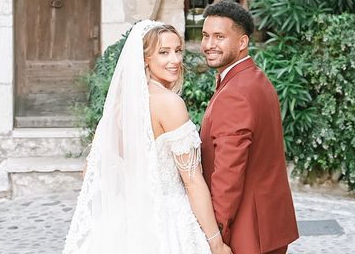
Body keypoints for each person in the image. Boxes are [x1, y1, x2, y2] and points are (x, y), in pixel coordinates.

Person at [63, 20, 232, 254]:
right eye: (164, 52)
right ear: (145, 58)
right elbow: (192, 181)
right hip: (166, 222)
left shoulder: (118, 108)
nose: (175, 60)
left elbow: (90, 172)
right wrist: (216, 242)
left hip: (125, 224)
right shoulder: (170, 104)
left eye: (178, 51)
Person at [200, 0, 299, 254]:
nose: (209, 45)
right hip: (269, 226)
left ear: (242, 42)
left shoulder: (236, 91)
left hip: (246, 234)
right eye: (205, 35)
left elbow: (228, 173)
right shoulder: (256, 79)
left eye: (219, 36)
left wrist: (214, 235)